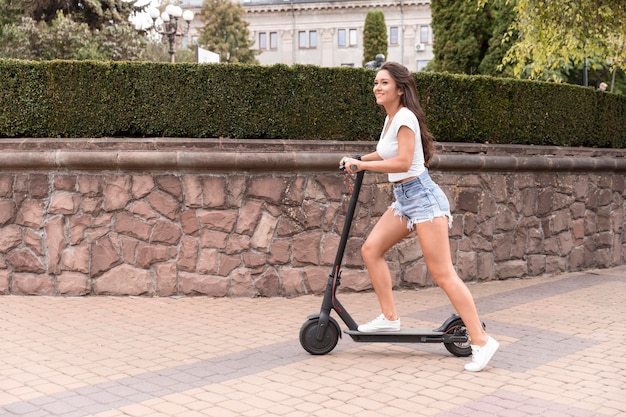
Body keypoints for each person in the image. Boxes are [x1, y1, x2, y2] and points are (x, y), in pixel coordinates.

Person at [339, 61, 499, 372]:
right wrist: (357, 159)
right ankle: (389, 318)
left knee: (443, 275)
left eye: (384, 83)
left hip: (423, 199)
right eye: (375, 82)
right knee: (371, 250)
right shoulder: (391, 120)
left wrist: (364, 166)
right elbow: (385, 154)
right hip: (404, 199)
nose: (377, 87)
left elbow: (401, 162)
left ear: (399, 89)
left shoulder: (404, 117)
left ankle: (481, 340)